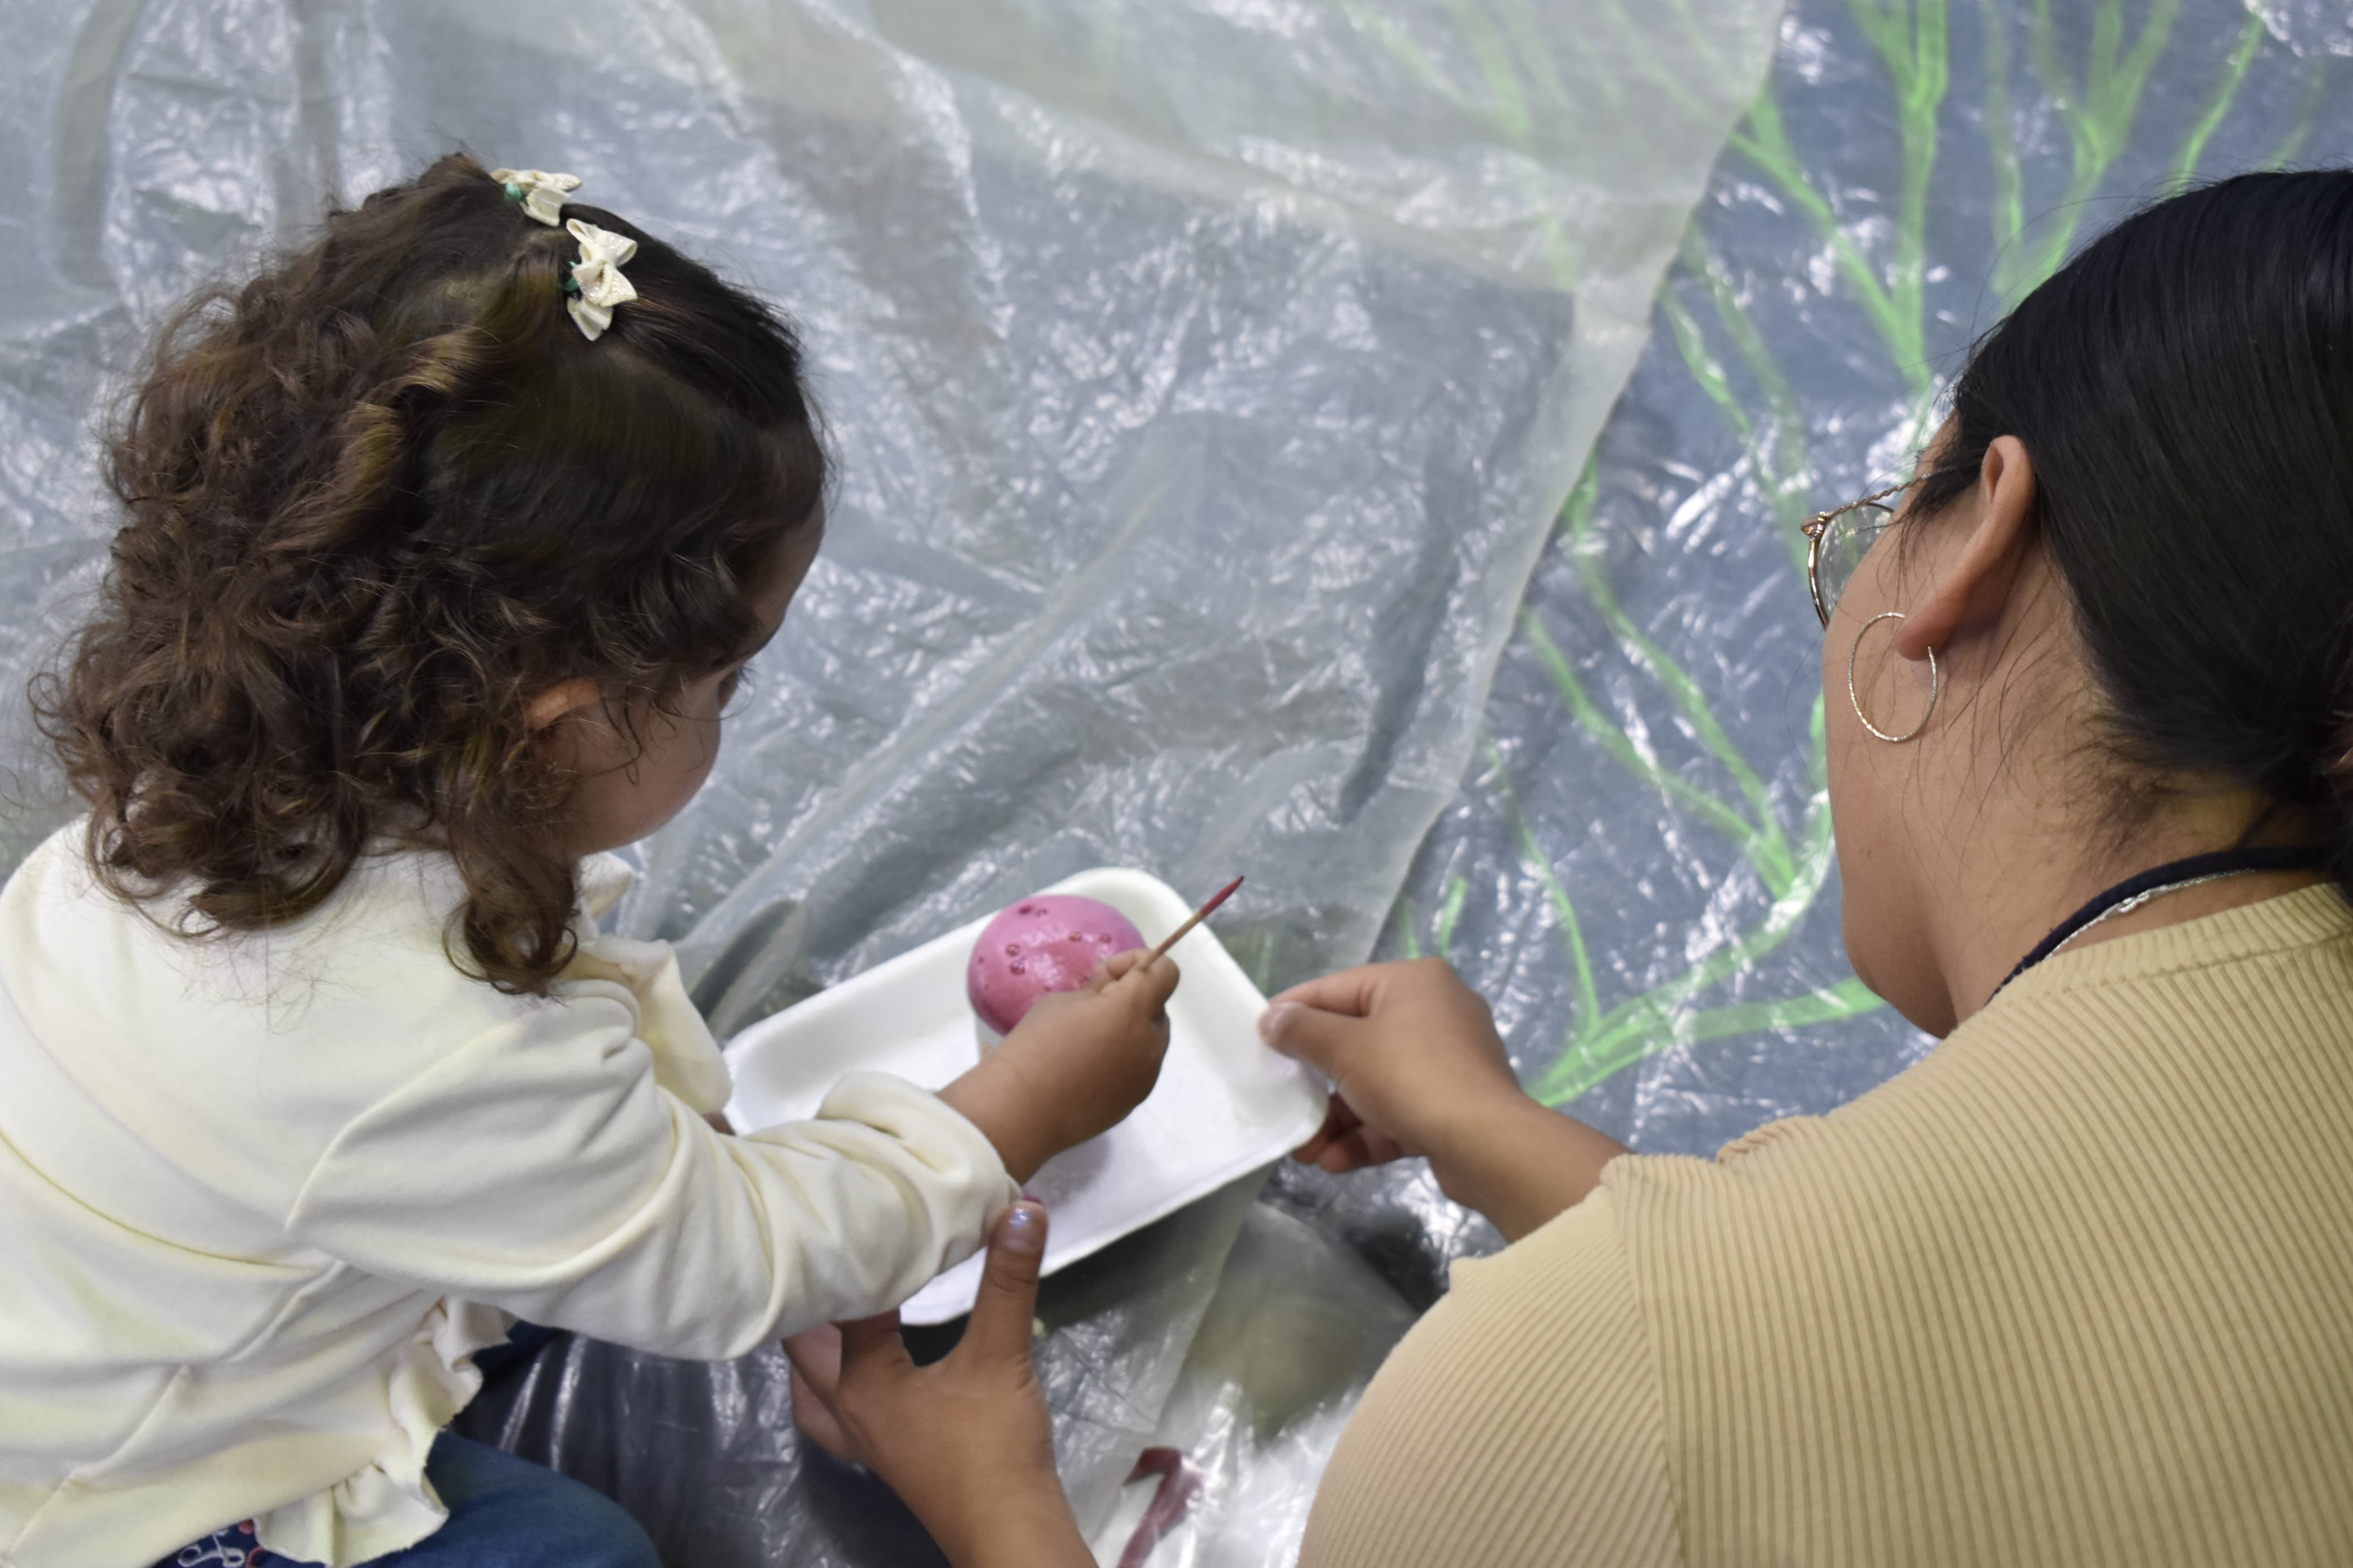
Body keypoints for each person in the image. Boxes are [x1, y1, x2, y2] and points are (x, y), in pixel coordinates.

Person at [785, 169, 2353, 1566]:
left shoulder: (1537, 1410)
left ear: (1977, 537)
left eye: (1881, 514)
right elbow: (2009, 1364)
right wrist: (1494, 1130)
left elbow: (1773, 1379)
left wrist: (997, 1503)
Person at [0, 153, 1181, 1568]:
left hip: (116, 1312)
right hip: (115, 1499)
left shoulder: (190, 799)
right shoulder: (421, 1050)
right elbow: (737, 1262)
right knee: (581, 1549)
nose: (735, 709)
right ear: (549, 727)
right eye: (727, 680)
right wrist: (1007, 1118)